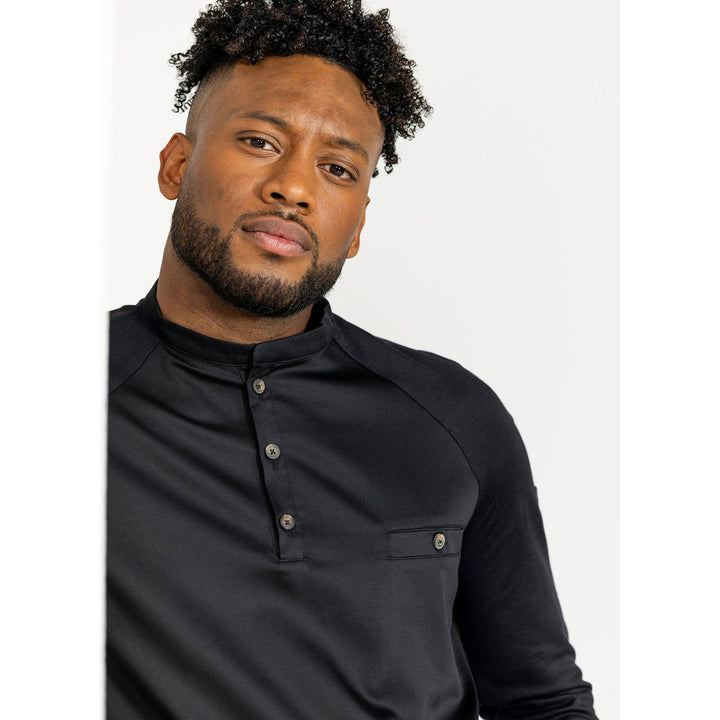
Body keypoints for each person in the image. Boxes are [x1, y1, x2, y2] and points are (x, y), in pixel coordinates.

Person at [107, 1, 598, 718]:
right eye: (259, 142)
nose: (295, 189)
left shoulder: (454, 417)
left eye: (337, 168)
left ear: (359, 224)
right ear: (176, 165)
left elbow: (542, 700)